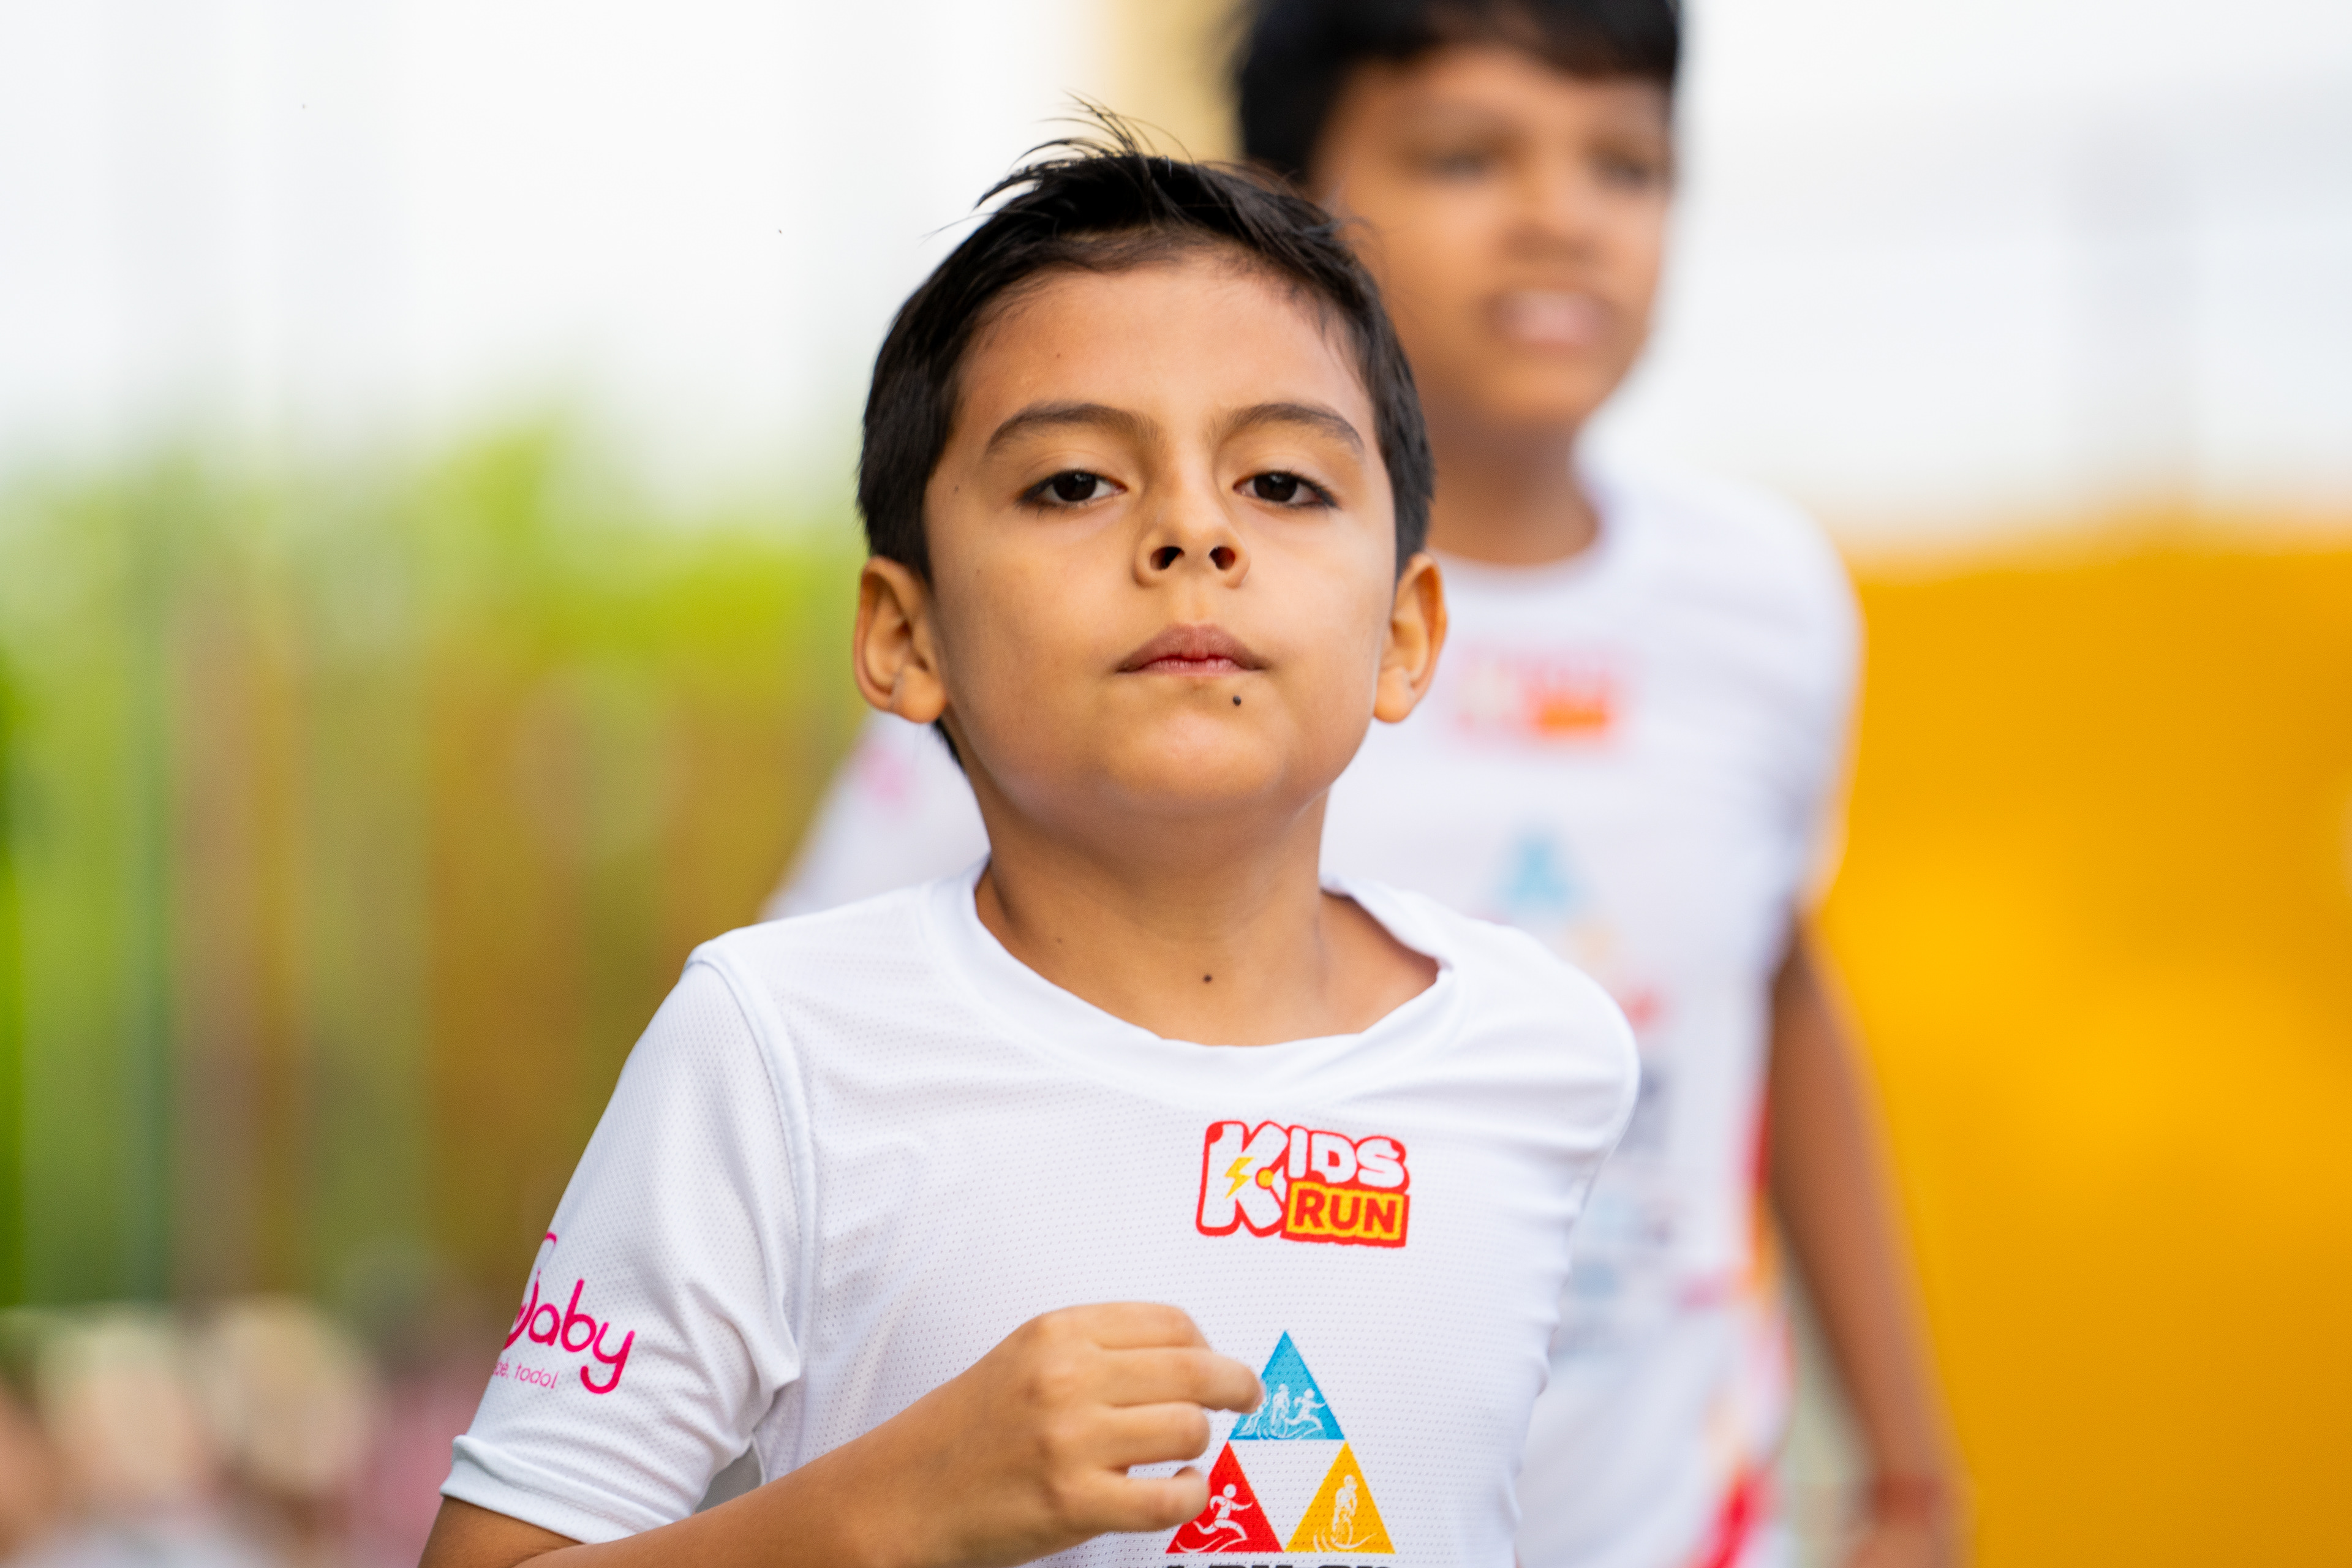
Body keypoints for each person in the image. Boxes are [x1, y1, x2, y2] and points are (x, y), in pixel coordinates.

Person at [769, 5, 1965, 1567]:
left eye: (1624, 164)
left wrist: (1911, 1471)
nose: (1560, 216)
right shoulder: (1091, 653)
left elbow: (1776, 977)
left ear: (1412, 635)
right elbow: (829, 1093)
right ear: (1282, 213)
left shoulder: (1768, 605)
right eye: (1467, 156)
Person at [421, 135, 1640, 1568]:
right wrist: (888, 1506)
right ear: (905, 633)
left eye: (1281, 482)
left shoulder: (1546, 1054)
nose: (1193, 531)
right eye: (1073, 483)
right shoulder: (773, 1048)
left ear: (1407, 631)